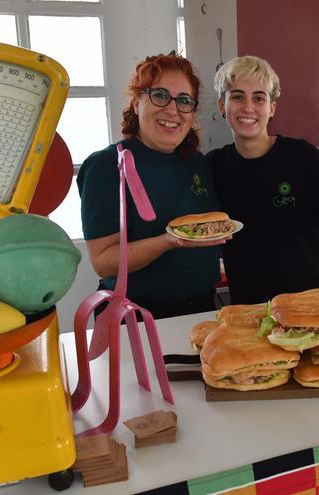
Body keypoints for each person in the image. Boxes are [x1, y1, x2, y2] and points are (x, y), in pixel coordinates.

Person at [207, 55, 319, 305]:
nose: (248, 107)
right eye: (237, 96)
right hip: (253, 309)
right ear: (221, 105)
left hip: (317, 302)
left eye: (259, 98)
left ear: (271, 108)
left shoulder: (302, 157)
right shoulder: (214, 166)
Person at [77, 53, 227, 318]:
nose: (172, 110)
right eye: (159, 95)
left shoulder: (197, 163)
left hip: (202, 310)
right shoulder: (107, 166)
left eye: (184, 101)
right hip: (135, 317)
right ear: (136, 103)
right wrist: (169, 241)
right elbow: (104, 262)